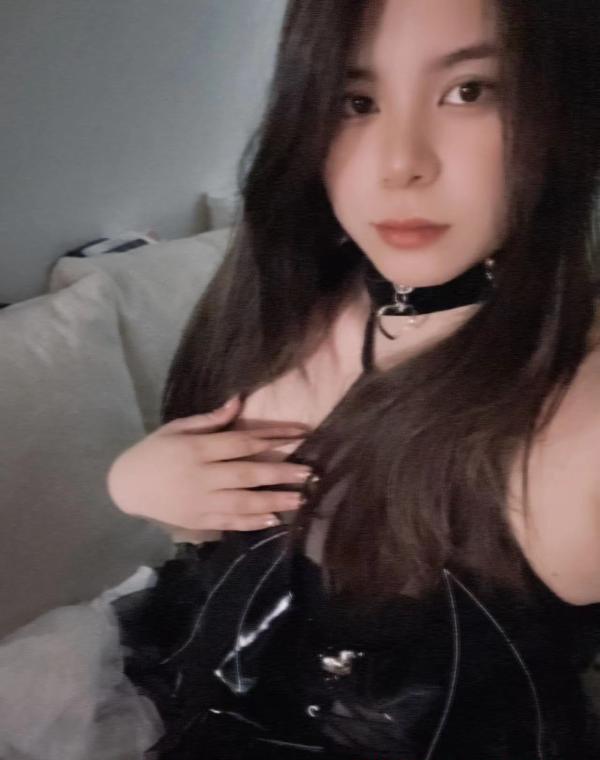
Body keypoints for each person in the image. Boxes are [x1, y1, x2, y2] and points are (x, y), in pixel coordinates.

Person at [1, 0, 600, 758]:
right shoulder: (300, 291)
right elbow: (219, 533)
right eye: (356, 101)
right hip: (181, 692)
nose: (398, 163)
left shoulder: (576, 414)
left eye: (469, 91)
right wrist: (143, 485)